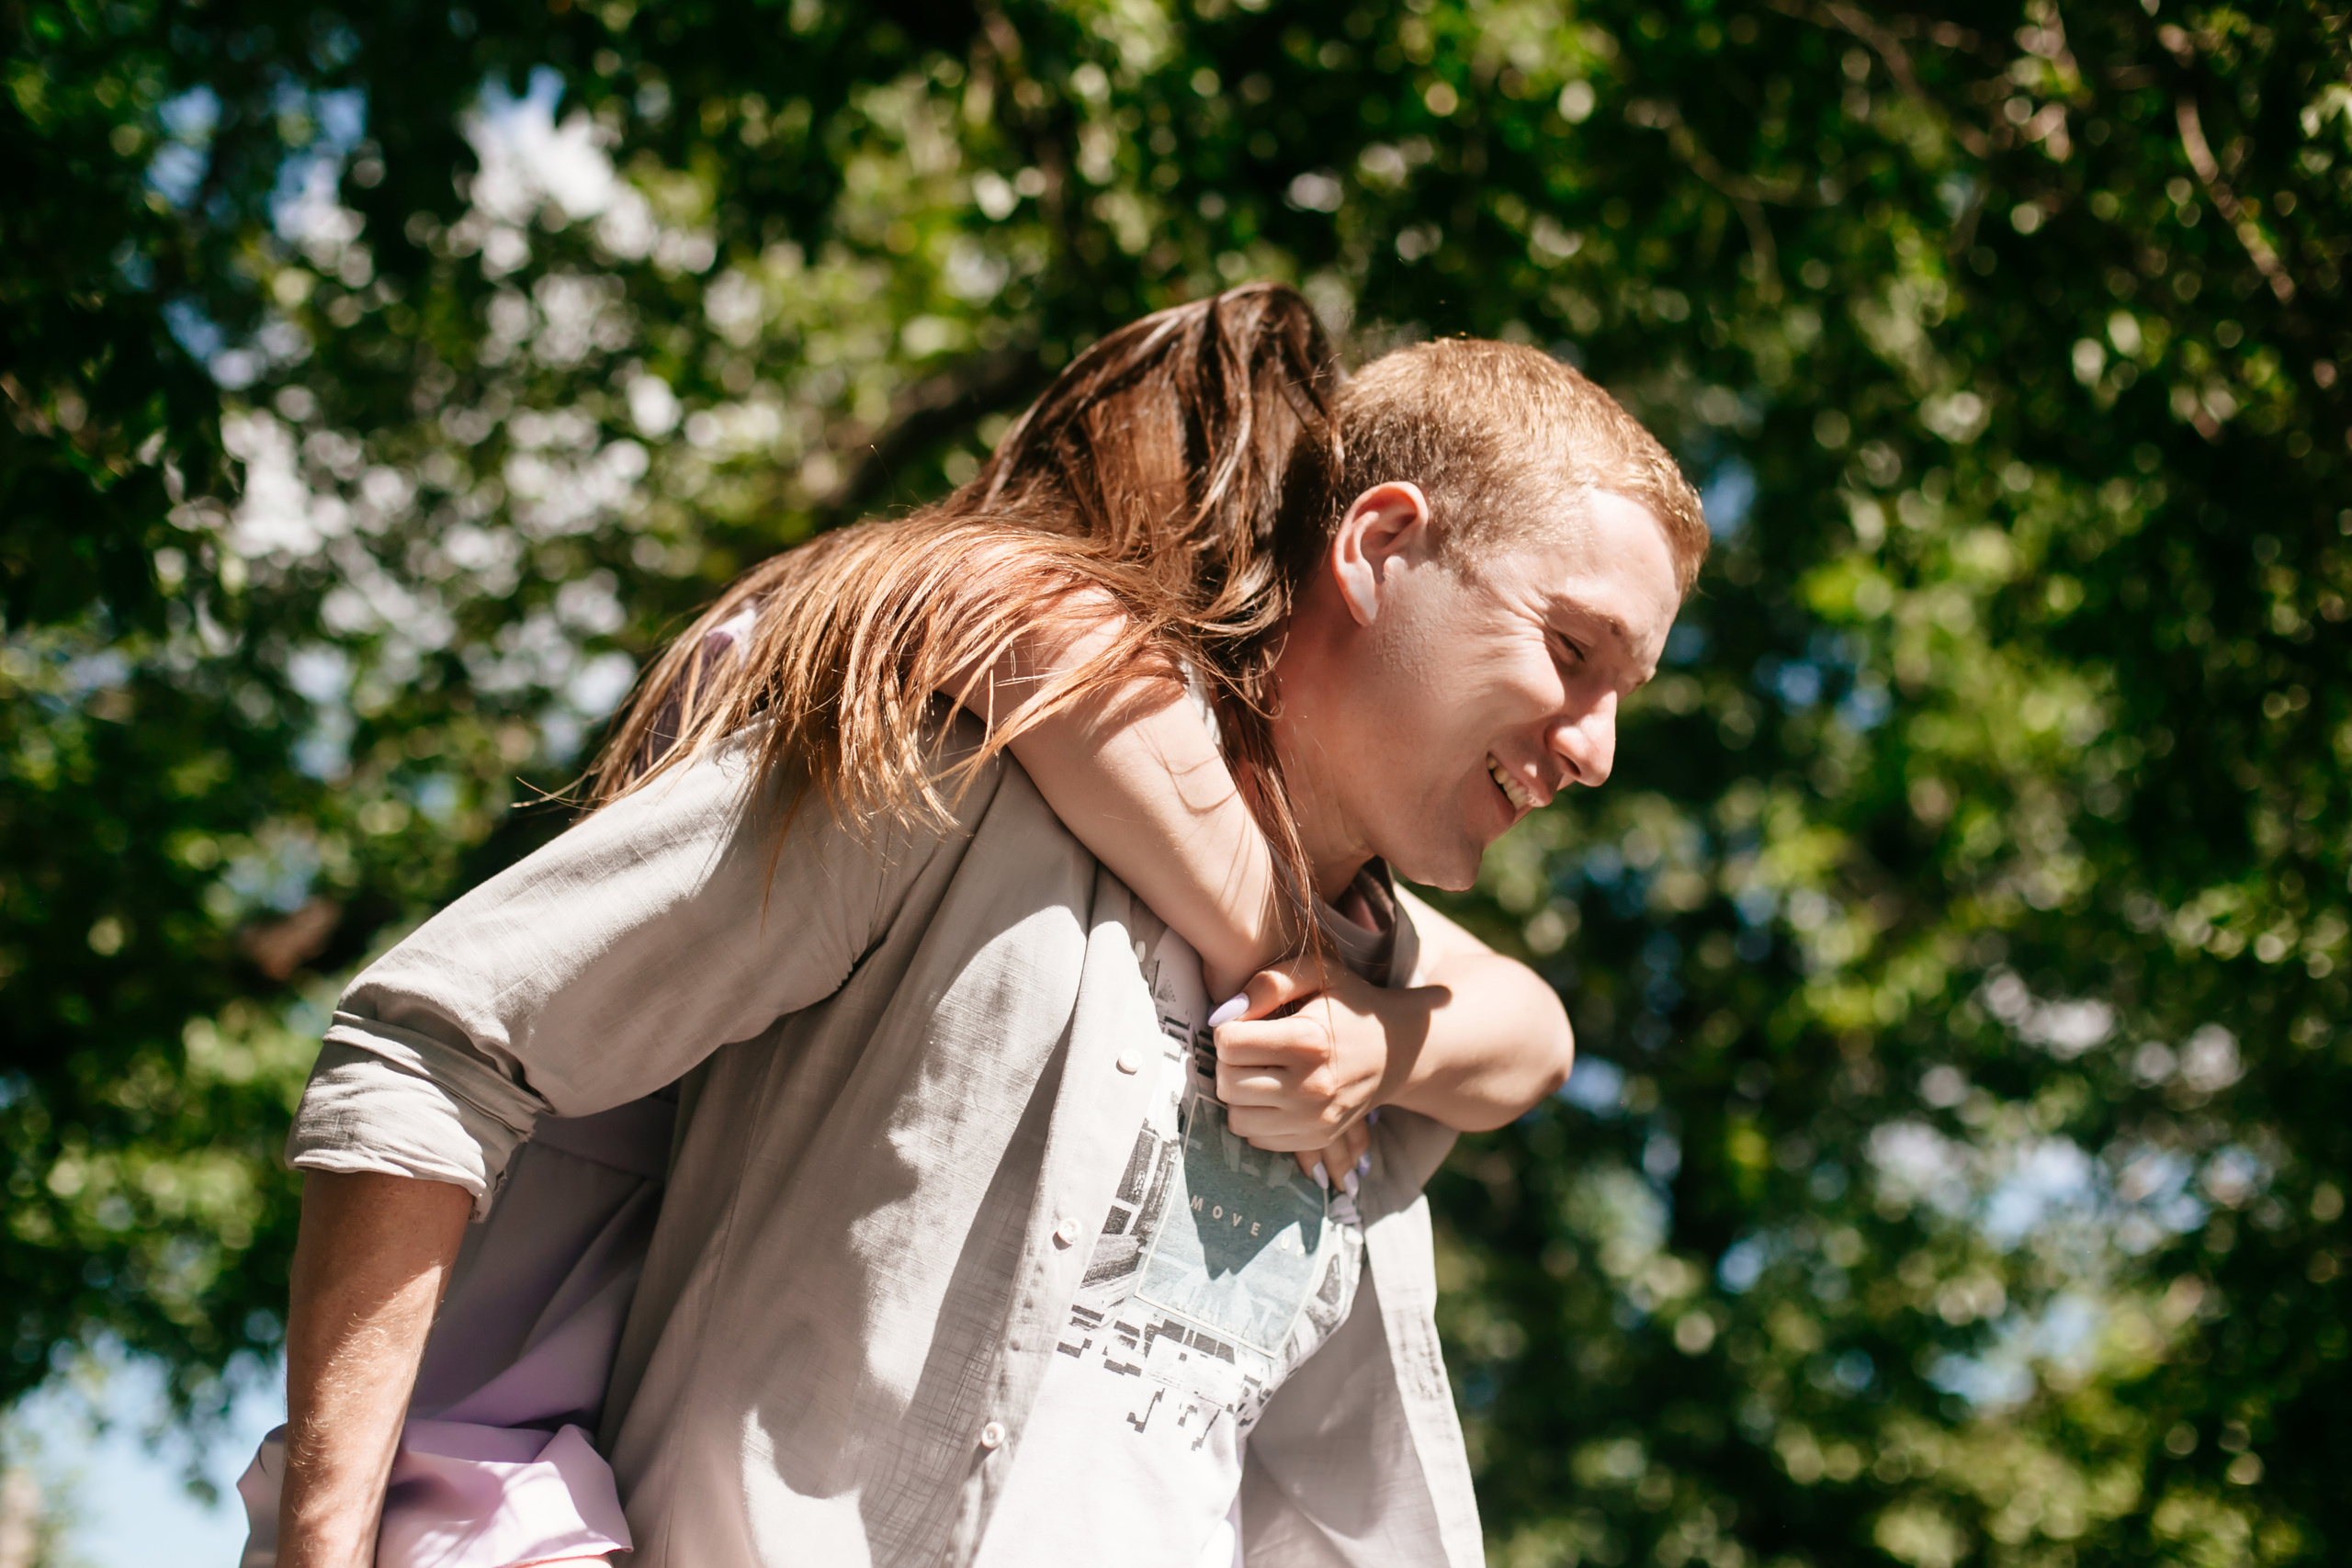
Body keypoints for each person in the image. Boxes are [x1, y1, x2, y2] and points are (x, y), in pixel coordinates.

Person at [264, 285, 1707, 1568]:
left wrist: (1378, 1032)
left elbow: (1528, 1039)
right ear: (1382, 544)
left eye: (1626, 696)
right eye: (1571, 653)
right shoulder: (954, 783)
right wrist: (334, 1545)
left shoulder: (1378, 990)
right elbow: (441, 1039)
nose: (1596, 755)